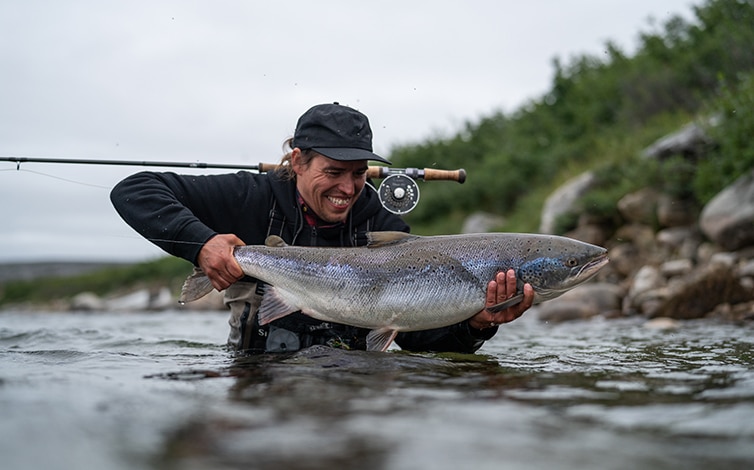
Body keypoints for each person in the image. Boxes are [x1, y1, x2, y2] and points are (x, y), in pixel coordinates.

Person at [110, 102, 534, 353]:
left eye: (358, 173)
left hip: (354, 385)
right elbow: (134, 190)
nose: (347, 188)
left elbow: (414, 336)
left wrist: (477, 325)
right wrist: (201, 244)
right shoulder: (251, 197)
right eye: (333, 171)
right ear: (297, 161)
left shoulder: (382, 225)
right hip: (260, 378)